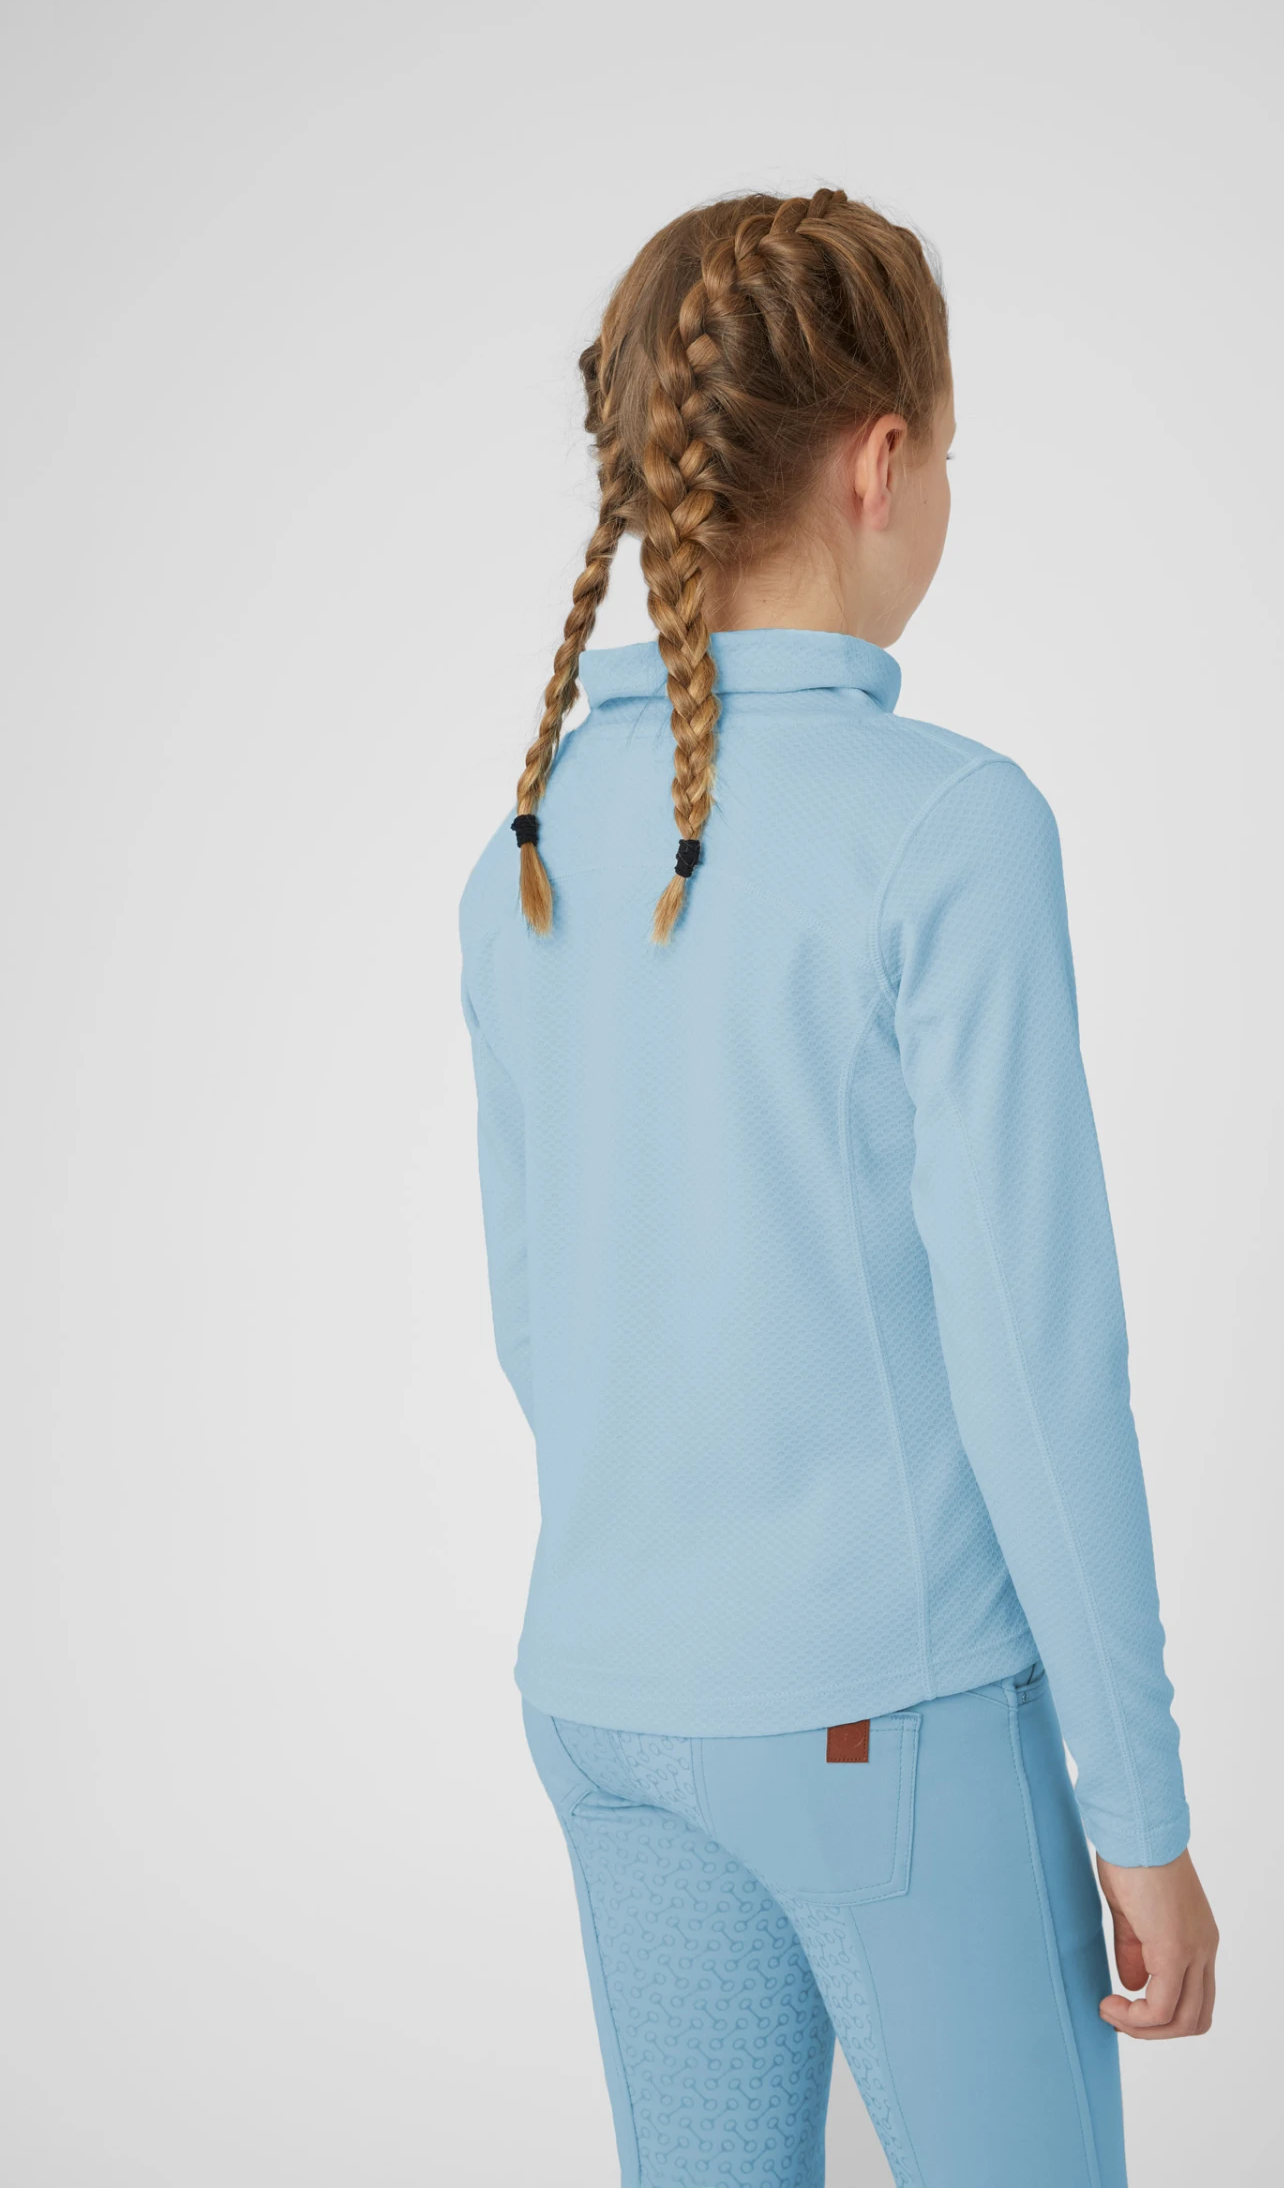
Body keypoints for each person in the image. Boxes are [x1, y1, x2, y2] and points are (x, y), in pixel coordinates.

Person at [459, 188, 1217, 2188]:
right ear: (883, 462)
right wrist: (1139, 1815)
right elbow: (1041, 1370)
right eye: (949, 448)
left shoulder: (530, 845)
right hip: (893, 1716)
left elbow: (542, 1320)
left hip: (608, 1707)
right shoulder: (950, 827)